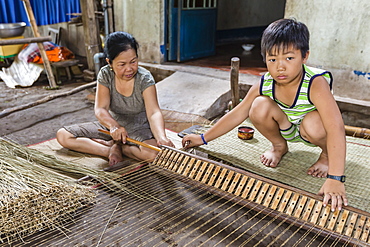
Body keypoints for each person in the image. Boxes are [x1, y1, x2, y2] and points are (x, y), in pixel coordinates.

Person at [182, 18, 348, 212]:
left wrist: (336, 178)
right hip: (287, 127)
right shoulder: (265, 82)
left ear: (305, 56)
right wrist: (202, 138)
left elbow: (336, 127)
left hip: (314, 132)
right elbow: (238, 113)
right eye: (272, 59)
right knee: (257, 106)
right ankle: (279, 146)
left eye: (289, 58)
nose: (280, 67)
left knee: (312, 122)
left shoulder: (315, 83)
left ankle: (326, 155)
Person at [57, 31, 174, 165]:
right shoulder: (105, 74)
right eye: (122, 64)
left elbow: (154, 113)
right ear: (110, 62)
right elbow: (101, 109)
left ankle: (122, 147)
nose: (129, 68)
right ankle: (109, 150)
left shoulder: (144, 78)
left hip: (139, 128)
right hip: (111, 126)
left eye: (133, 61)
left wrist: (161, 138)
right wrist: (114, 127)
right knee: (63, 135)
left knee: (156, 155)